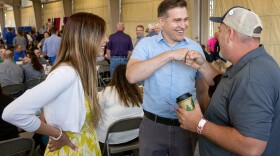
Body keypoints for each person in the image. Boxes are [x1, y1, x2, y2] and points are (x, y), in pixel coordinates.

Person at [178, 6, 280, 156]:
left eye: (220, 29)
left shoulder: (252, 77)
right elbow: (231, 88)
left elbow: (251, 146)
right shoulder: (254, 63)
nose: (217, 35)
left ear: (230, 34)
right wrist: (202, 66)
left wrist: (199, 124)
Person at [3, 12, 109, 155]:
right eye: (102, 34)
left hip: (86, 146)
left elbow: (47, 111)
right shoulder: (66, 73)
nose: (107, 39)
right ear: (86, 38)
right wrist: (58, 134)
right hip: (71, 149)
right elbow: (13, 113)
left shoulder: (80, 71)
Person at [126, 1, 207, 156]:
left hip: (186, 127)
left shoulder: (195, 48)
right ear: (161, 21)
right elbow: (131, 75)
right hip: (153, 127)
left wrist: (201, 123)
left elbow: (202, 89)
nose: (183, 25)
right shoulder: (146, 45)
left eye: (185, 19)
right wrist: (169, 55)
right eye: (177, 20)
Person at [96, 64, 143, 144]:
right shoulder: (137, 92)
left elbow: (98, 111)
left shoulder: (107, 92)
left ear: (115, 75)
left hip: (112, 137)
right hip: (135, 134)